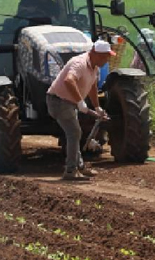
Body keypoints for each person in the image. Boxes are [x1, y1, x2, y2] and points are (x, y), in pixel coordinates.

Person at [46, 40, 113, 181]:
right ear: (95, 54)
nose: (107, 60)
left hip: (69, 102)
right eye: (105, 57)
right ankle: (71, 171)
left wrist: (97, 107)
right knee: (74, 132)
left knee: (75, 133)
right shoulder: (79, 63)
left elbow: (93, 87)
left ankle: (79, 167)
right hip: (58, 101)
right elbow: (69, 80)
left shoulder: (95, 68)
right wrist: (80, 102)